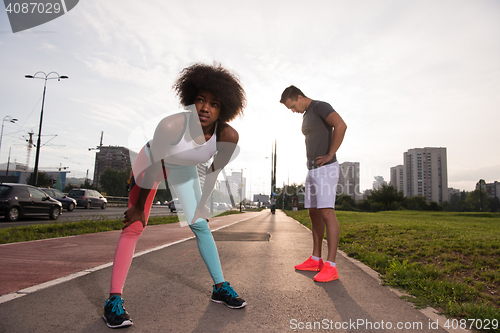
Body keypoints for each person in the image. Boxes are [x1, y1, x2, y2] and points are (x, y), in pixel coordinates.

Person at [103, 63, 247, 329]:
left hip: (183, 170)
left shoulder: (227, 135)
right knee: (134, 226)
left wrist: (202, 204)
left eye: (214, 104)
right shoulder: (171, 125)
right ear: (191, 100)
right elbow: (155, 165)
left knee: (201, 225)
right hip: (150, 165)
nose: (205, 108)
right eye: (200, 100)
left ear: (223, 108)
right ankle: (113, 300)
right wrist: (137, 208)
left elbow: (213, 172)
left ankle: (219, 287)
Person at [280, 85, 347, 283]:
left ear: (299, 97)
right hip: (313, 170)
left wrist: (330, 154)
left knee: (327, 213)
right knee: (313, 212)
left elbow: (341, 125)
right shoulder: (306, 114)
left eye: (292, 106)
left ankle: (331, 266)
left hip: (326, 168)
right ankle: (316, 259)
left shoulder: (320, 106)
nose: (293, 111)